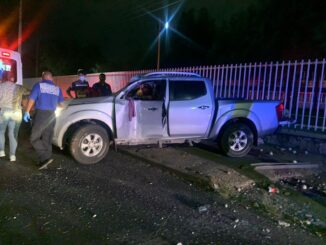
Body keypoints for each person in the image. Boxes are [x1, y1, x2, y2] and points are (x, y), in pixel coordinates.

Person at [24, 70, 64, 170]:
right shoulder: (57, 88)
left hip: (41, 114)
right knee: (47, 139)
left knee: (34, 138)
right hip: (52, 115)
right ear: (51, 78)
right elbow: (62, 105)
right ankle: (45, 161)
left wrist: (27, 111)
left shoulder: (39, 85)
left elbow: (32, 99)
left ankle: (45, 158)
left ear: (43, 78)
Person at [0, 72, 29, 161]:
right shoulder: (19, 87)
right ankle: (12, 155)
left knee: (1, 132)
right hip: (16, 112)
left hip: (4, 112)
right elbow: (29, 92)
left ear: (4, 78)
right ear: (12, 78)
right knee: (13, 134)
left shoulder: (1, 86)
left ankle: (1, 151)